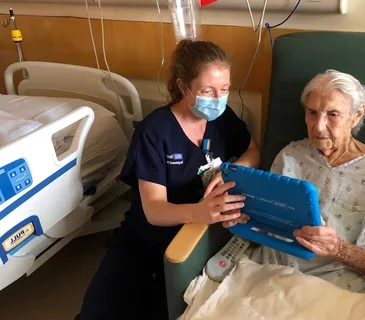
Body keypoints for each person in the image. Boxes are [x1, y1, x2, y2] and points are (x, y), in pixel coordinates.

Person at [75, 40, 261, 319]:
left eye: (224, 90)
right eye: (207, 91)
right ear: (184, 87)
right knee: (97, 313)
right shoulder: (155, 131)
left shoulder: (223, 119)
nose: (218, 99)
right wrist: (200, 212)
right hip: (146, 234)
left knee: (166, 311)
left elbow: (253, 151)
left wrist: (229, 171)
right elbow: (154, 210)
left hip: (197, 235)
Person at [228, 69, 365, 293]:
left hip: (338, 286)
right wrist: (242, 217)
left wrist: (338, 249)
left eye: (332, 114)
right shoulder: (290, 155)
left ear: (357, 115)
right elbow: (260, 225)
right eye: (312, 112)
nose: (319, 126)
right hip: (272, 275)